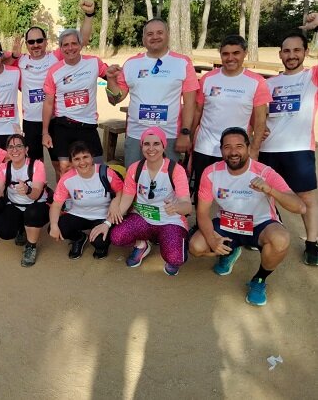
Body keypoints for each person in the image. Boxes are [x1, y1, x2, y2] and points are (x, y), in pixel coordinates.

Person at [189, 127, 306, 306]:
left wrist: (270, 190)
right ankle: (230, 251)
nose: (233, 152)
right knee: (196, 247)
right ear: (221, 150)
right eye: (227, 147)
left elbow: (300, 207)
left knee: (280, 239)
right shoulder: (211, 172)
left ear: (248, 148)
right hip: (227, 224)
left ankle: (259, 280)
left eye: (239, 146)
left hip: (260, 225)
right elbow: (202, 213)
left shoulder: (264, 172)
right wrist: (212, 241)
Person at [0, 0, 95, 168]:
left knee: (60, 165)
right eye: (31, 42)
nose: (36, 45)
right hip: (31, 122)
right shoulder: (20, 60)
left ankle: (61, 186)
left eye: (39, 41)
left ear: (46, 41)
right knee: (34, 164)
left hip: (55, 120)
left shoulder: (56, 57)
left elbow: (82, 41)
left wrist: (89, 15)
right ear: (27, 44)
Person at [260, 20, 318, 265]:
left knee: (307, 199)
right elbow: (257, 114)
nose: (291, 55)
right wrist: (256, 129)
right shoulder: (268, 83)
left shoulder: (311, 77)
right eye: (286, 51)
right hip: (268, 149)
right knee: (264, 195)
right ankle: (268, 230)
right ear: (280, 54)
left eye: (296, 50)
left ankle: (312, 244)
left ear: (306, 52)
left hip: (299, 149)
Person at [105, 18, 199, 167]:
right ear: (143, 39)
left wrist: (185, 133)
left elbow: (190, 103)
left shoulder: (183, 63)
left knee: (167, 179)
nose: (155, 37)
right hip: (136, 135)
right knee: (134, 177)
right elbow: (115, 99)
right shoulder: (131, 64)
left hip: (169, 135)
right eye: (150, 34)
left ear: (168, 35)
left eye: (159, 33)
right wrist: (110, 80)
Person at [189, 35, 272, 200]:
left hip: (236, 151)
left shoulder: (256, 82)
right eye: (225, 54)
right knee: (202, 194)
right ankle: (201, 218)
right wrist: (190, 139)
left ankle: (227, 218)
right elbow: (197, 111)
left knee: (234, 195)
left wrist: (254, 150)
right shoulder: (208, 78)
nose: (230, 58)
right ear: (220, 54)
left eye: (236, 53)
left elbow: (260, 120)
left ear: (245, 53)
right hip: (205, 147)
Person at [109, 127, 193, 276]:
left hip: (169, 220)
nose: (151, 148)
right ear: (141, 146)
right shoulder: (135, 168)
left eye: (156, 144)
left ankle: (168, 241)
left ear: (164, 146)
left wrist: (177, 207)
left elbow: (187, 207)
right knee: (117, 236)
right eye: (146, 144)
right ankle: (142, 244)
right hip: (142, 218)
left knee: (175, 258)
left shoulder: (175, 170)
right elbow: (126, 200)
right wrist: (107, 223)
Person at [42, 29, 108, 180]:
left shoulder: (93, 63)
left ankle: (96, 193)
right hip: (64, 126)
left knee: (97, 166)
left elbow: (110, 76)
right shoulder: (54, 71)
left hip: (88, 125)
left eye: (74, 43)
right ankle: (65, 195)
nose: (70, 48)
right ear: (60, 48)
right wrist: (45, 132)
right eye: (65, 45)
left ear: (80, 45)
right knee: (64, 169)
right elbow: (48, 103)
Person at [49, 141, 124, 260]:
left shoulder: (106, 173)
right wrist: (53, 225)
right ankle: (79, 238)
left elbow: (122, 191)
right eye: (77, 159)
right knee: (57, 226)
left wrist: (115, 201)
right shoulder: (67, 179)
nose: (82, 162)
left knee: (100, 242)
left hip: (103, 215)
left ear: (92, 157)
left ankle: (101, 246)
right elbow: (56, 205)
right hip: (78, 214)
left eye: (85, 157)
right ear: (71, 161)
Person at [0, 134, 50, 267]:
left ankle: (31, 246)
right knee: (5, 232)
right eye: (10, 147)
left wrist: (27, 190)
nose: (14, 150)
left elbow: (36, 194)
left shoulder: (37, 165)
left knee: (33, 213)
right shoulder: (4, 167)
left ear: (26, 149)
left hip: (36, 205)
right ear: (7, 150)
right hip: (15, 205)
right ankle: (21, 228)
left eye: (19, 146)